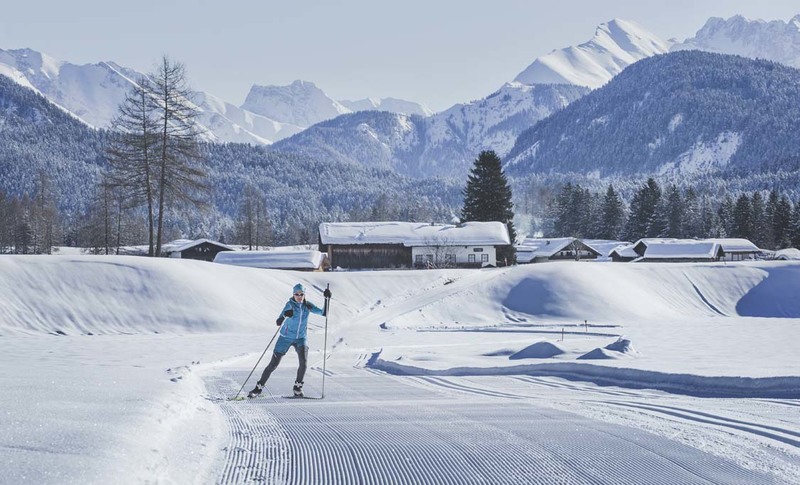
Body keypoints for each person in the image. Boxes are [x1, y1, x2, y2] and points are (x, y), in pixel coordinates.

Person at [248, 283, 332, 398]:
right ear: (293, 294)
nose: (299, 296)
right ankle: (258, 388)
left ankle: (297, 387)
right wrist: (285, 315)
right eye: (297, 294)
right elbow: (278, 322)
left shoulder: (307, 306)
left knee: (303, 362)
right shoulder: (289, 305)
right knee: (273, 364)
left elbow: (324, 313)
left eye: (301, 294)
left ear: (304, 295)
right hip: (285, 338)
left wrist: (326, 299)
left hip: (300, 339)